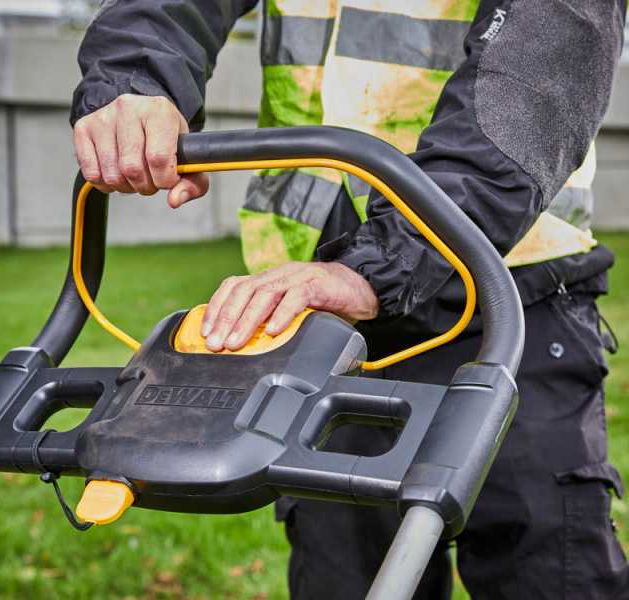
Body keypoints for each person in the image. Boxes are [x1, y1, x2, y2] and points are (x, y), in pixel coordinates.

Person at [70, 1, 628, 598]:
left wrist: (396, 253)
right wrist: (136, 78)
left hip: (506, 289)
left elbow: (546, 46)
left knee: (547, 571)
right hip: (314, 327)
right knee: (346, 577)